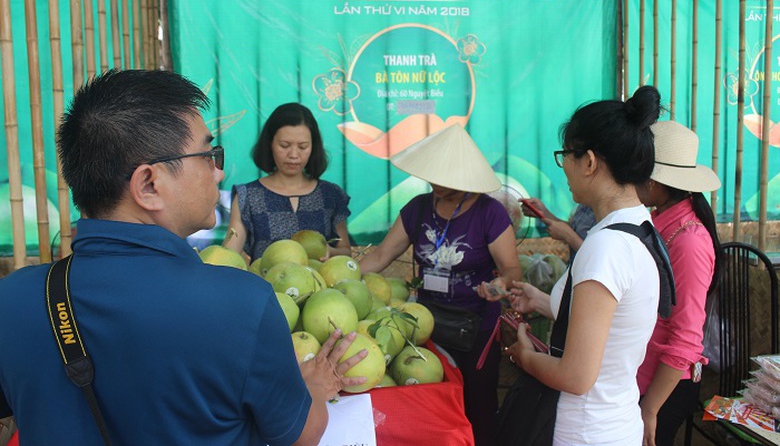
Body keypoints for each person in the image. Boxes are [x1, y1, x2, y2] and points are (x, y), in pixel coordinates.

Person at [0, 70, 366, 445]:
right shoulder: (243, 304)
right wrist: (316, 390)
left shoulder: (13, 299)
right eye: (208, 155)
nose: (218, 171)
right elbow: (300, 436)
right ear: (149, 184)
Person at [501, 85, 664, 445]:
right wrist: (544, 301)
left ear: (589, 162)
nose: (565, 168)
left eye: (566, 156)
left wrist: (524, 357)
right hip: (616, 422)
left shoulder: (604, 247)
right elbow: (611, 324)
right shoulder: (639, 228)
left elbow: (576, 376)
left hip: (585, 430)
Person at [358, 124, 522, 446]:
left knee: (477, 403)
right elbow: (381, 256)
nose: (437, 183)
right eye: (434, 174)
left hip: (476, 326)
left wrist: (498, 284)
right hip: (426, 322)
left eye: (447, 177)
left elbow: (512, 268)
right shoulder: (418, 208)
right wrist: (343, 275)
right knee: (432, 399)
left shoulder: (490, 213)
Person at [636, 120, 722, 446]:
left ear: (657, 181)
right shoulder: (658, 222)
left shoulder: (688, 241)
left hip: (665, 386)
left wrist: (650, 408)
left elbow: (687, 338)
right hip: (646, 375)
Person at [224, 103, 351, 263]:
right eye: (284, 145)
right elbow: (229, 255)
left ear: (314, 146)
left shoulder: (331, 195)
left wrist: (330, 251)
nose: (293, 155)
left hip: (318, 286)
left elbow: (346, 251)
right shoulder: (248, 197)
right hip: (267, 286)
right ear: (269, 144)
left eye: (303, 147)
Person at [520, 199, 595, 261]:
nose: (568, 181)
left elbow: (599, 259)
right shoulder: (584, 205)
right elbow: (576, 231)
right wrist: (544, 213)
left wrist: (569, 236)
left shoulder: (604, 211)